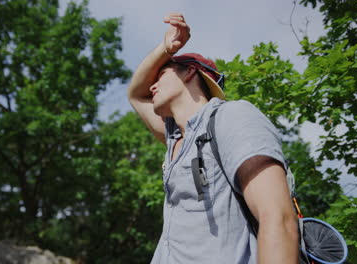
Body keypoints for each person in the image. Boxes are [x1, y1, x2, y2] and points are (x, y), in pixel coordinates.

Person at [127, 13, 298, 264]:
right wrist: (164, 50)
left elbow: (278, 218)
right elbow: (135, 94)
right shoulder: (177, 139)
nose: (152, 87)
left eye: (161, 75)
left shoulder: (232, 117)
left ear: (190, 73)